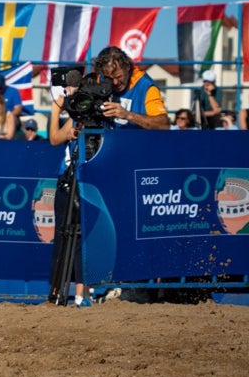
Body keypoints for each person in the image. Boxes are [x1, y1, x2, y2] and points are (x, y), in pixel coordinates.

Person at [47, 45, 168, 307]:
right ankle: (93, 290)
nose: (114, 83)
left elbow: (163, 124)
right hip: (102, 169)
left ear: (128, 67)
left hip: (134, 172)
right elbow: (58, 135)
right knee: (93, 230)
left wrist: (127, 114)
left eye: (118, 77)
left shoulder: (145, 86)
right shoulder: (99, 82)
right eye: (109, 78)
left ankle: (134, 288)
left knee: (131, 230)